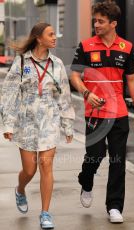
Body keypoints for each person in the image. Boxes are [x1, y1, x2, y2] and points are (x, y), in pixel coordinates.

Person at [70, 0, 134, 224]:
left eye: (101, 21)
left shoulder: (127, 47)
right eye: (95, 20)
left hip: (119, 113)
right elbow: (74, 75)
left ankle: (114, 206)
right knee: (95, 156)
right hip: (94, 114)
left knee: (118, 160)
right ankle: (86, 181)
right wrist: (86, 92)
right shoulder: (85, 46)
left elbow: (131, 79)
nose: (96, 24)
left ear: (113, 23)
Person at [0, 22, 75, 229]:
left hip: (49, 121)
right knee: (29, 170)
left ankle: (45, 213)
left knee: (46, 166)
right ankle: (20, 189)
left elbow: (64, 95)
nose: (55, 37)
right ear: (39, 38)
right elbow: (9, 94)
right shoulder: (21, 61)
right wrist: (8, 124)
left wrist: (67, 124)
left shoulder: (57, 64)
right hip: (26, 123)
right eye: (50, 34)